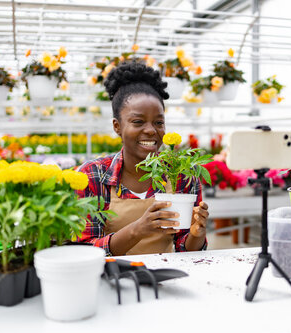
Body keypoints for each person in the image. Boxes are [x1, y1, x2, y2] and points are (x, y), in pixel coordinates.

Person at [76, 61, 209, 256]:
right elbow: (82, 251)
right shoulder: (92, 176)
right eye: (138, 122)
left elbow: (185, 249)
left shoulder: (181, 175)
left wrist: (196, 234)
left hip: (163, 278)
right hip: (111, 281)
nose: (150, 130)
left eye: (158, 122)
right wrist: (137, 230)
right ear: (117, 126)